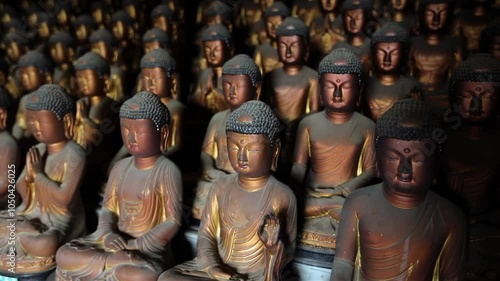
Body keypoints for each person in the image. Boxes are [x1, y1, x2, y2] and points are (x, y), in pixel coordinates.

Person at [331, 99, 467, 280]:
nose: (405, 169)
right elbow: (342, 265)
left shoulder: (450, 217)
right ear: (377, 162)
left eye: (417, 159)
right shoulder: (357, 203)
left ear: (436, 165)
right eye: (393, 157)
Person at [160, 100, 296, 281]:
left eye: (252, 148)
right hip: (214, 270)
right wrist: (213, 267)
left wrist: (272, 248)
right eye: (234, 147)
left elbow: (289, 253)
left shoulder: (282, 195)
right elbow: (206, 235)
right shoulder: (220, 186)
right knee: (168, 277)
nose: (241, 156)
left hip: (254, 275)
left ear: (275, 151)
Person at [55, 92, 183, 281]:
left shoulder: (168, 170)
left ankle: (109, 265)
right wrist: (107, 233)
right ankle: (112, 263)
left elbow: (172, 221)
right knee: (63, 253)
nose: (131, 138)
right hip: (113, 244)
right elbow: (108, 208)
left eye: (139, 132)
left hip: (145, 249)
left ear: (163, 133)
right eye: (126, 130)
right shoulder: (120, 166)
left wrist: (136, 244)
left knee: (145, 275)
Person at [291, 48, 376, 250]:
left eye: (345, 86)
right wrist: (293, 189)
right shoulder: (308, 124)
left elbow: (372, 171)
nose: (337, 93)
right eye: (330, 86)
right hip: (313, 196)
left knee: (352, 210)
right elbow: (299, 164)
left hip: (345, 198)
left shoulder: (367, 127)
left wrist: (342, 190)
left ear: (359, 90)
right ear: (320, 89)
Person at [0, 85, 86, 274]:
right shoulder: (37, 150)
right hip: (32, 214)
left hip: (58, 223)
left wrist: (38, 175)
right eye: (31, 121)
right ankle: (23, 233)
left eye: (41, 121)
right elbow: (19, 188)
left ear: (67, 121)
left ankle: (23, 237)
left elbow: (64, 200)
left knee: (47, 243)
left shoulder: (75, 154)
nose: (35, 127)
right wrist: (29, 176)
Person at [192, 54, 262, 219]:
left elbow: (265, 162)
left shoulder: (262, 121)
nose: (231, 91)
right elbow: (206, 153)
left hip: (247, 182)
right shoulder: (217, 119)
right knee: (202, 189)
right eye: (227, 85)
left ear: (256, 89)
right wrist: (210, 169)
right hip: (218, 180)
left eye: (238, 85)